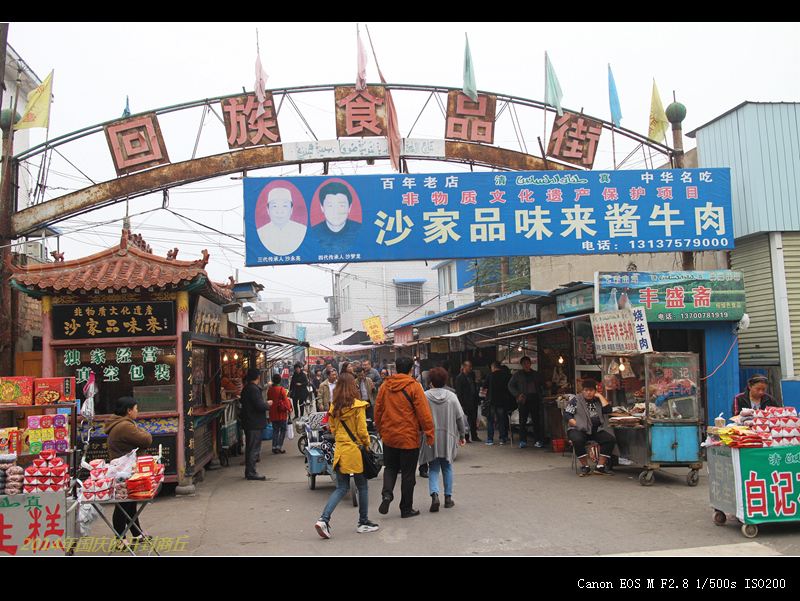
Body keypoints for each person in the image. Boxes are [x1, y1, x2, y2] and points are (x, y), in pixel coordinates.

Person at [314, 373, 379, 538]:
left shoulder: (334, 408)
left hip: (340, 451)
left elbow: (333, 430)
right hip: (354, 451)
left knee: (341, 488)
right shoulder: (358, 406)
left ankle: (323, 519)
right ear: (353, 387)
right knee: (362, 486)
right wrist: (366, 445)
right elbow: (362, 431)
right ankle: (363, 522)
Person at [374, 355, 435, 519]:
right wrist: (429, 433)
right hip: (408, 437)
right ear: (410, 369)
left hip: (389, 436)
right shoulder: (414, 387)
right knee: (408, 474)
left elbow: (378, 410)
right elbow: (424, 413)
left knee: (391, 468)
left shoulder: (385, 386)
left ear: (396, 369)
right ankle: (406, 508)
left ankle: (387, 494)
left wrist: (380, 429)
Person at [104, 396, 153, 547]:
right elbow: (146, 439)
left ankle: (136, 534)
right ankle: (120, 539)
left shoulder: (120, 423)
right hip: (123, 471)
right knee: (123, 504)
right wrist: (145, 433)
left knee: (130, 503)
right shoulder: (124, 426)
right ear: (128, 410)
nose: (137, 412)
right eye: (136, 409)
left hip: (125, 469)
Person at [420, 367, 466, 512]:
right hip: (448, 436)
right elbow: (460, 417)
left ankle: (434, 495)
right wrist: (463, 435)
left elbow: (419, 417)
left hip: (431, 437)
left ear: (430, 381)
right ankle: (448, 498)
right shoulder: (452, 396)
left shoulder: (425, 396)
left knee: (433, 468)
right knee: (447, 467)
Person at [565, 378, 616, 476]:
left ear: (595, 391)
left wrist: (600, 396)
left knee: (610, 439)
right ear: (582, 391)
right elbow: (567, 415)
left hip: (595, 429)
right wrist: (577, 424)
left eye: (591, 390)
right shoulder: (575, 400)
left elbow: (608, 410)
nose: (588, 393)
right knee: (577, 440)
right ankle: (585, 467)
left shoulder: (597, 400)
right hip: (578, 429)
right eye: (586, 390)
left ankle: (600, 467)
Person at [240, 368, 272, 480]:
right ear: (258, 377)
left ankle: (249, 471)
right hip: (253, 423)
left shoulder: (246, 388)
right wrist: (267, 404)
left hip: (249, 422)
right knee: (253, 448)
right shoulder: (253, 389)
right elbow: (259, 406)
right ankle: (251, 472)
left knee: (250, 448)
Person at [256, 186, 307, 256]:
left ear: (291, 209)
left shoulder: (301, 230)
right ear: (268, 210)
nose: (279, 211)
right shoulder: (261, 232)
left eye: (285, 206)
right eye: (274, 206)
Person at [507, 356, 545, 448]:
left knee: (536, 420)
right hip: (523, 399)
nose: (526, 365)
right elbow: (510, 385)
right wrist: (517, 394)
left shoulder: (536, 374)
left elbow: (542, 385)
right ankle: (523, 440)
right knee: (522, 421)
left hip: (535, 398)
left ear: (530, 364)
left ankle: (537, 440)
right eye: (524, 364)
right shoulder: (517, 375)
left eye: (528, 363)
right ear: (522, 365)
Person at [312, 181, 361, 250]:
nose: (336, 211)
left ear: (349, 207)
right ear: (322, 207)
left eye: (341, 205)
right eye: (330, 206)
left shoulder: (358, 230)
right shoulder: (314, 232)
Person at [485, 361, 514, 445]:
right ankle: (502, 438)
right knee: (501, 420)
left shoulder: (490, 375)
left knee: (490, 420)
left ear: (493, 367)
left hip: (492, 401)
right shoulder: (506, 375)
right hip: (502, 401)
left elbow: (484, 386)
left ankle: (490, 439)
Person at [455, 360, 480, 442]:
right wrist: (461, 403)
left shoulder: (471, 376)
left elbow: (474, 386)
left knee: (473, 419)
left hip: (473, 401)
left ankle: (474, 435)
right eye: (469, 366)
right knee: (465, 421)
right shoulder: (459, 378)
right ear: (464, 367)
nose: (471, 368)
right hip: (465, 402)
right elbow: (459, 391)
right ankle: (466, 436)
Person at [268, 373, 293, 454]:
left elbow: (268, 399)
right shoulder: (281, 389)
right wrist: (289, 409)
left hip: (273, 412)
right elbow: (286, 400)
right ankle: (279, 446)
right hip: (281, 413)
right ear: (280, 380)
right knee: (283, 429)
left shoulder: (269, 390)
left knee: (275, 430)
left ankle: (274, 447)